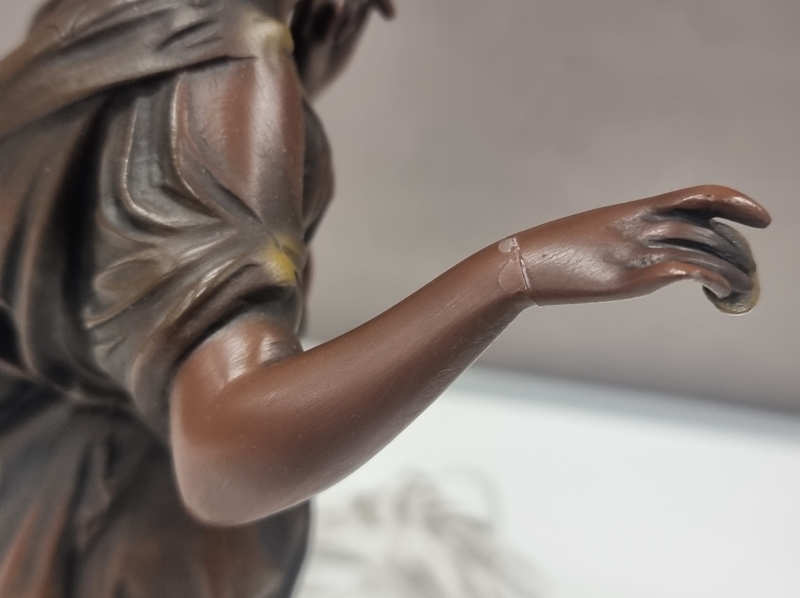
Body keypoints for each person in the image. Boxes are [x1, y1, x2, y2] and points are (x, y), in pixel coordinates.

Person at [0, 0, 770, 596]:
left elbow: (95, 265)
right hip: (116, 537)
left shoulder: (114, 22)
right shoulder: (220, 74)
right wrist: (515, 273)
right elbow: (220, 454)